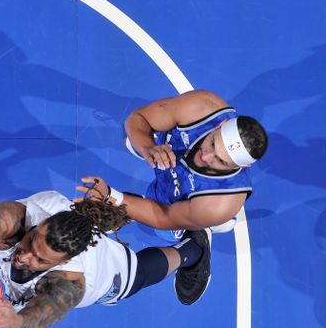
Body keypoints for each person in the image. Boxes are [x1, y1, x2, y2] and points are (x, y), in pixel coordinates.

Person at [0, 190, 211, 328]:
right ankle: (115, 209)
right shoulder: (33, 213)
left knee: (138, 275)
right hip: (72, 223)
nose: (24, 256)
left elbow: (41, 314)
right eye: (30, 242)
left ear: (64, 261)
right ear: (39, 225)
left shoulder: (73, 280)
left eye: (40, 259)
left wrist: (15, 322)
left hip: (111, 273)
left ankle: (192, 249)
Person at [75, 90, 268, 238]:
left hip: (184, 200)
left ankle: (202, 229)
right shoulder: (201, 108)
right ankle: (195, 217)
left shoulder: (217, 204)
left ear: (240, 167)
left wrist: (112, 196)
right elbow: (137, 118)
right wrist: (148, 148)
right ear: (220, 125)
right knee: (133, 138)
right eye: (212, 143)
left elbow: (165, 216)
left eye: (220, 161)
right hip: (162, 151)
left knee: (165, 233)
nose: (206, 157)